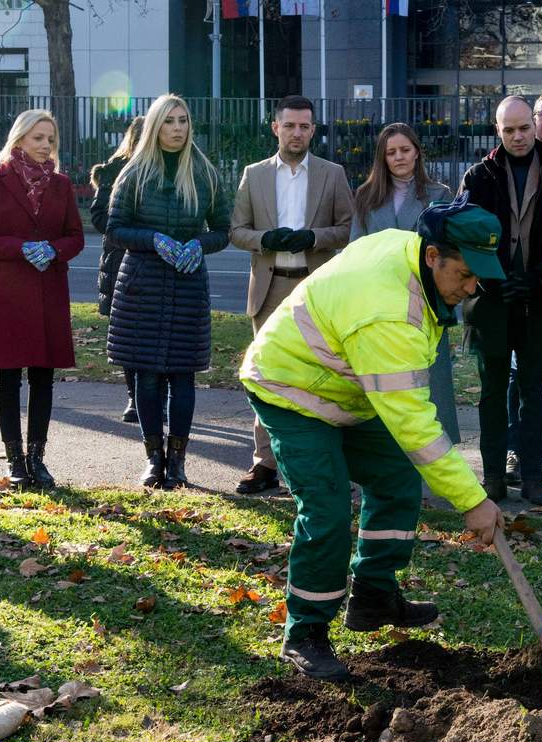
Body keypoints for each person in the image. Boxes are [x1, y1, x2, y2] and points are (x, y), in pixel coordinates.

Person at [239, 194, 505, 680]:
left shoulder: (410, 256)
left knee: (398, 476)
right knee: (327, 504)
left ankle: (373, 597)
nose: (471, 288)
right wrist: (473, 500)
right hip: (290, 387)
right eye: (464, 275)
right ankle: (305, 633)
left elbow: (405, 426)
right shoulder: (388, 311)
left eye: (478, 277)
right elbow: (414, 426)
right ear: (432, 255)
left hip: (348, 386)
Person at [106, 93, 230, 489]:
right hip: (142, 285)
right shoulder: (134, 172)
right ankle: (153, 459)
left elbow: (223, 230)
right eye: (169, 121)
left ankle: (177, 462)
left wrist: (199, 244)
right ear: (155, 126)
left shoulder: (204, 172)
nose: (177, 128)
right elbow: (115, 228)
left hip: (188, 284)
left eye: (183, 121)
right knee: (146, 376)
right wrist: (153, 239)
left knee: (183, 376)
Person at [231, 94, 353, 495]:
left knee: (322, 375)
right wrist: (265, 238)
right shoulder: (255, 174)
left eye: (304, 126)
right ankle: (264, 464)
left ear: (313, 130)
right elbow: (236, 231)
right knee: (266, 377)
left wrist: (313, 237)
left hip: (315, 286)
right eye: (290, 125)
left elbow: (347, 228)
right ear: (275, 127)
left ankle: (320, 463)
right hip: (270, 287)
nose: (296, 132)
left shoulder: (332, 174)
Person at [458, 95, 542, 505]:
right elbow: (464, 241)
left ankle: (533, 478)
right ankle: (491, 476)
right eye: (509, 130)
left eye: (524, 127)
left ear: (535, 126)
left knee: (533, 390)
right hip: (490, 302)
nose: (518, 136)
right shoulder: (478, 176)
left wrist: (537, 280)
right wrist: (493, 281)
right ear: (497, 130)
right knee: (491, 391)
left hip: (539, 302)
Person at [0, 109, 84, 489]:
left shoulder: (62, 185)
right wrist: (21, 248)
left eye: (51, 138)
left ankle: (38, 457)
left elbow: (76, 237)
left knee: (43, 377)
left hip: (48, 289)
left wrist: (52, 249)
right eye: (38, 138)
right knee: (9, 377)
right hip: (8, 293)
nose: (46, 145)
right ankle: (15, 459)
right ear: (19, 140)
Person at [349, 122, 459, 443]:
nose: (398, 157)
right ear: (382, 158)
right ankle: (386, 457)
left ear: (417, 153)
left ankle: (438, 458)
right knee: (387, 383)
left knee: (431, 383)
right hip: (381, 306)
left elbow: (449, 252)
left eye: (405, 150)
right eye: (391, 152)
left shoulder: (439, 195)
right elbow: (356, 253)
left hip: (426, 303)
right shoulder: (366, 196)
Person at [90, 116, 144, 422]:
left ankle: (151, 396)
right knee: (127, 334)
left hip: (150, 260)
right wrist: (128, 230)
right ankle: (134, 398)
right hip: (120, 260)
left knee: (155, 330)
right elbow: (98, 218)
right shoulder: (112, 171)